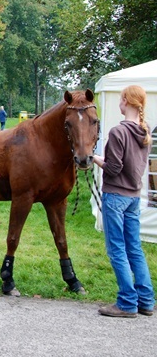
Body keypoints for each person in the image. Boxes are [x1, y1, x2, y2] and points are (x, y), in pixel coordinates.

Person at [94, 85, 155, 318]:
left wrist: (96, 159)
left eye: (120, 100)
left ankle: (127, 302)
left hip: (116, 196)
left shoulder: (119, 132)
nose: (119, 104)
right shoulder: (145, 130)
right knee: (134, 248)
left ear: (127, 102)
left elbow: (114, 167)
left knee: (117, 249)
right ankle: (146, 301)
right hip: (132, 197)